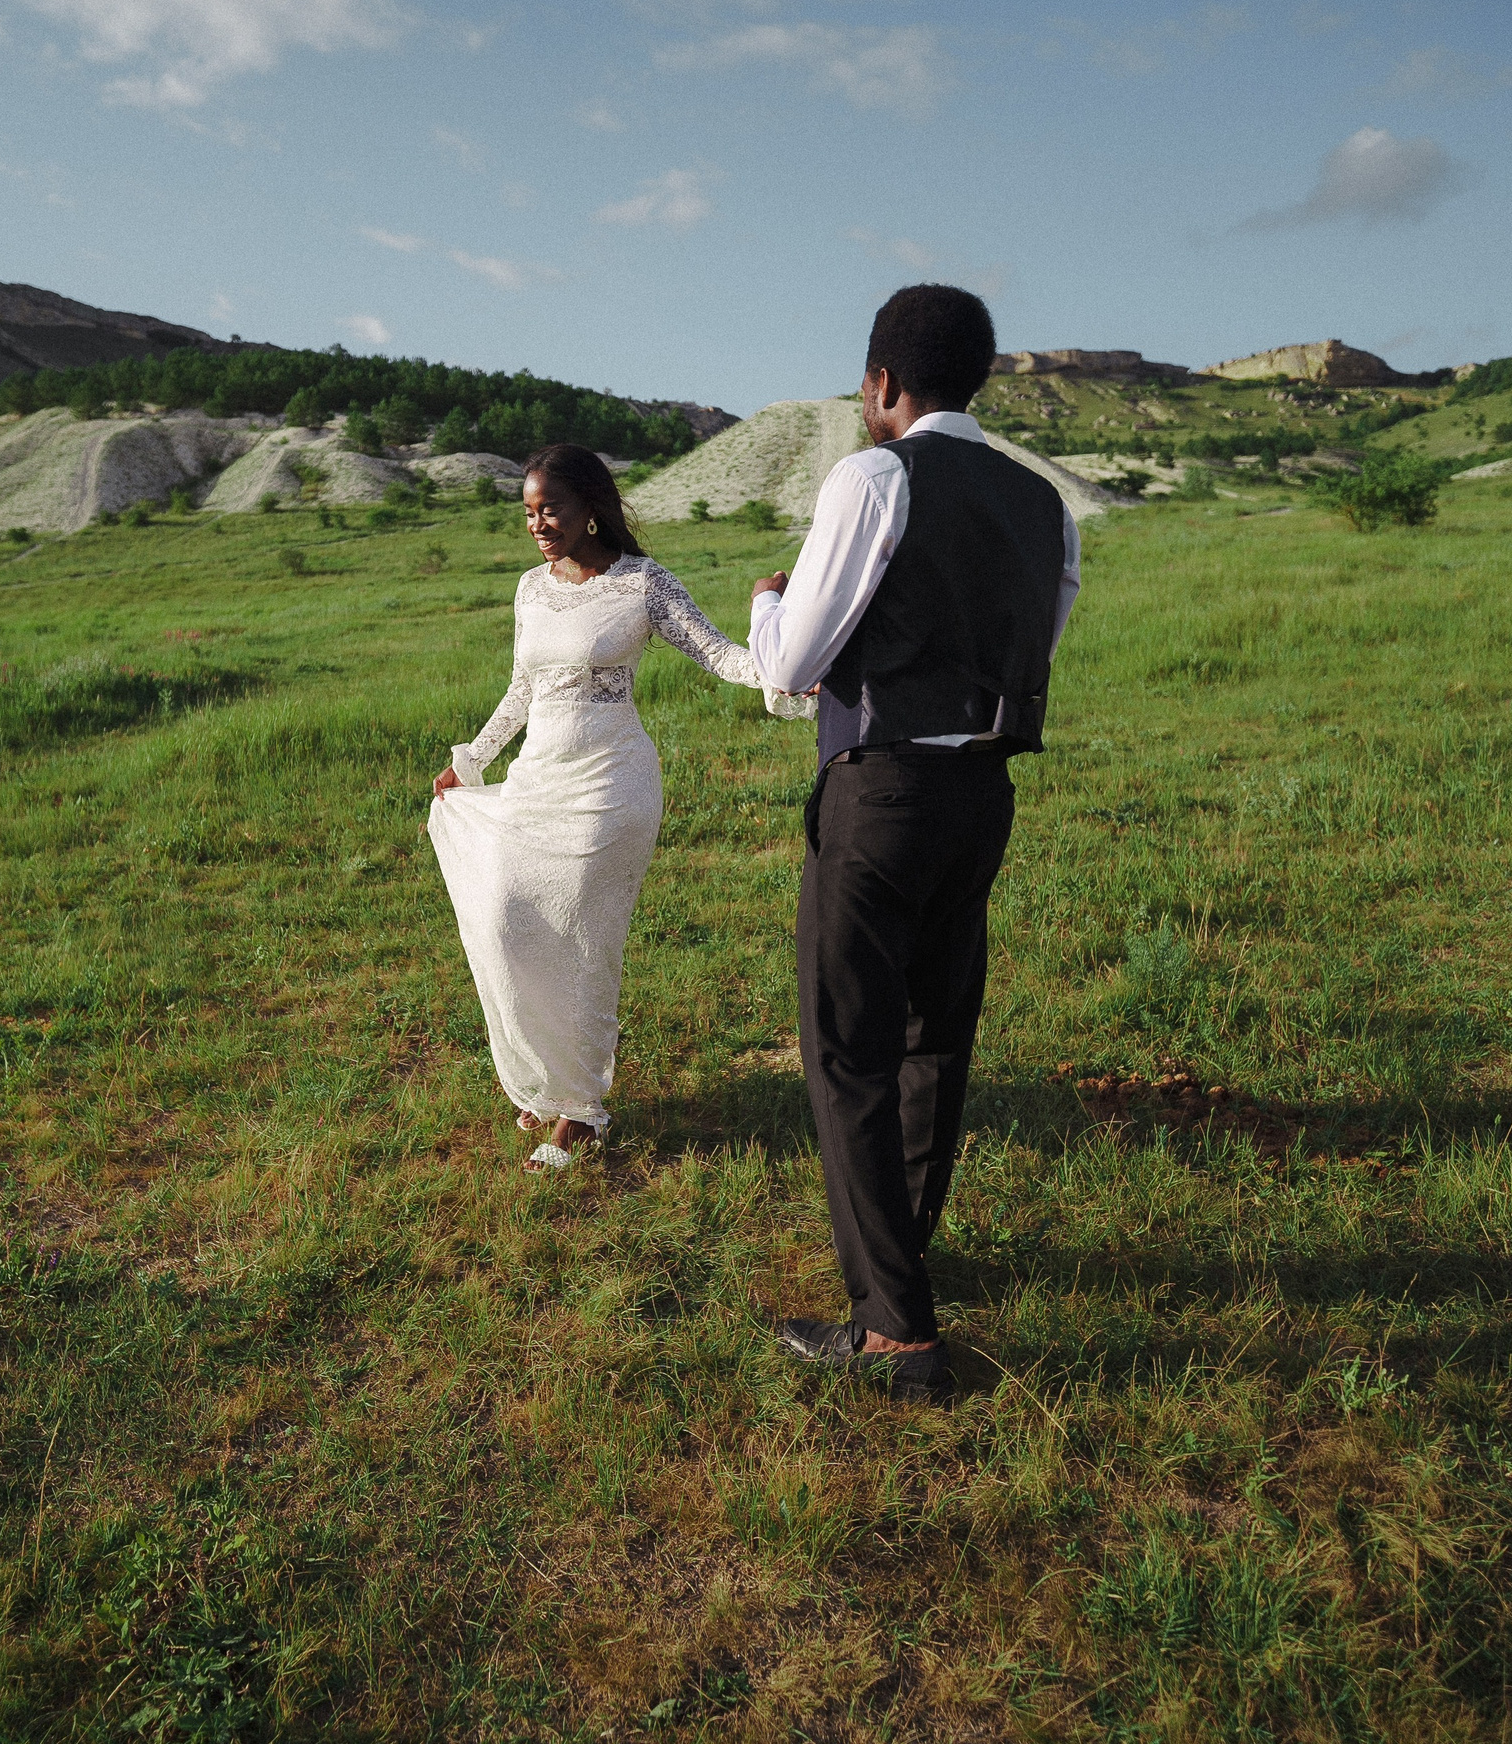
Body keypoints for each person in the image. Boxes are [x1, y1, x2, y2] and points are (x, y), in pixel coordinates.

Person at [747, 284, 1082, 1403]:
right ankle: (902, 1259)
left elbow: (794, 666)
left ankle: (894, 1329)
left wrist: (766, 606)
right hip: (984, 789)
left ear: (883, 382)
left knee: (849, 1051)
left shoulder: (872, 475)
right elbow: (1041, 634)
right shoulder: (1046, 505)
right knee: (937, 1038)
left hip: (882, 792)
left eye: (863, 382)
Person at [429, 444, 799, 1173]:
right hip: (539, 782)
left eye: (552, 509)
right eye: (529, 512)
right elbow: (521, 690)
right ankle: (546, 1083)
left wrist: (783, 655)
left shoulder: (642, 584)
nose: (538, 524)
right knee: (506, 921)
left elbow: (717, 653)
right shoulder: (530, 590)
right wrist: (470, 760)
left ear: (591, 508)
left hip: (610, 787)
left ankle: (581, 1115)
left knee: (585, 943)